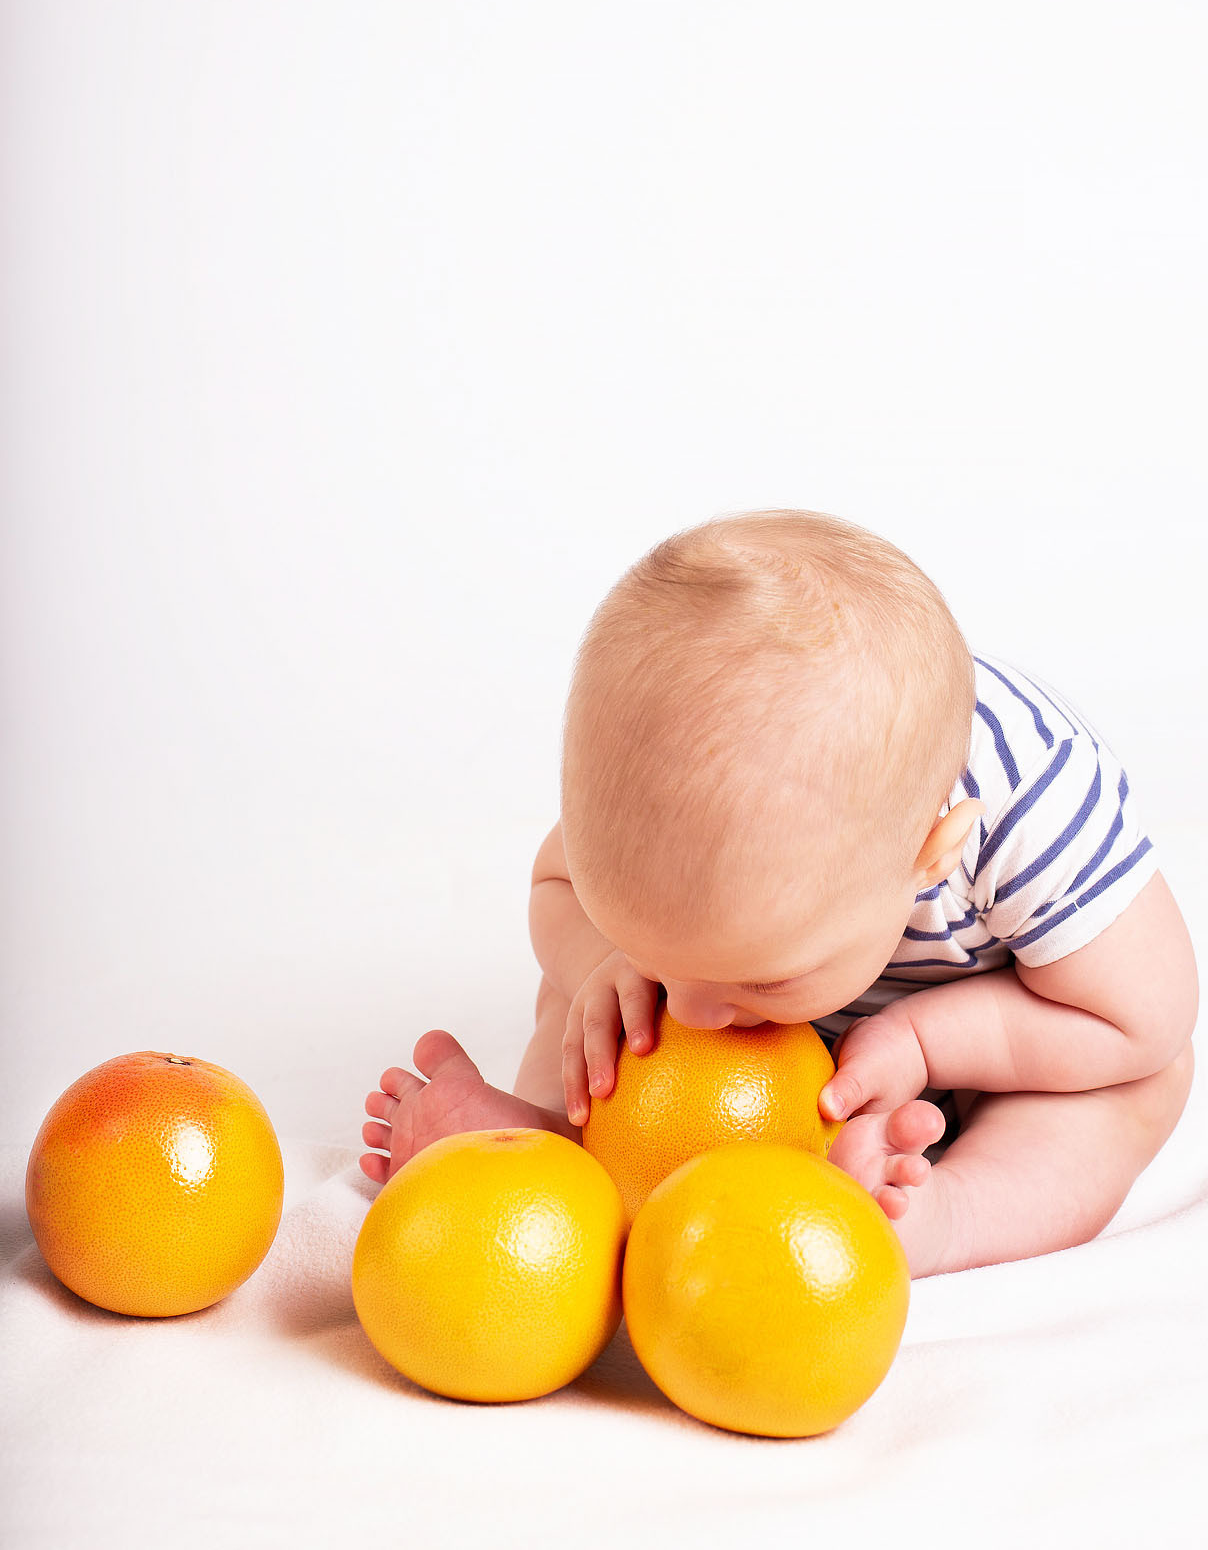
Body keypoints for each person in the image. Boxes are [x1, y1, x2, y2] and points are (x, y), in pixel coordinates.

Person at [359, 509, 1197, 1277]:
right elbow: (556, 882)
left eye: (761, 979)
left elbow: (1142, 1021)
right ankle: (540, 1153)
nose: (688, 1013)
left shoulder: (1032, 808)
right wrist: (609, 963)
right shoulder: (667, 798)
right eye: (665, 957)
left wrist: (929, 1045)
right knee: (592, 1006)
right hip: (727, 1091)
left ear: (928, 858)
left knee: (1136, 1086)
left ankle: (943, 1217)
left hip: (981, 1052)